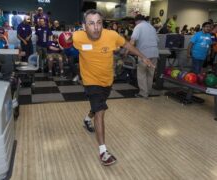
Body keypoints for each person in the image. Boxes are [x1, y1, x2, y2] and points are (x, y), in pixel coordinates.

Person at [65, 9, 154, 166]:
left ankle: (87, 119)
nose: (96, 27)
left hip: (107, 80)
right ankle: (103, 151)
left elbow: (126, 44)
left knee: (97, 107)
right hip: (90, 81)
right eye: (91, 23)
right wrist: (62, 41)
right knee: (100, 111)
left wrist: (143, 57)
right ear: (84, 26)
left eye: (99, 22)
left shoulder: (111, 35)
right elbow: (63, 42)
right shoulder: (78, 37)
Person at [130, 14, 159, 98]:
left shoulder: (138, 27)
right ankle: (148, 91)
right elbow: (157, 40)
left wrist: (126, 51)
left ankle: (143, 93)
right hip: (154, 53)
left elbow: (132, 41)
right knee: (150, 74)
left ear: (136, 21)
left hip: (144, 54)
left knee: (141, 73)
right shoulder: (151, 27)